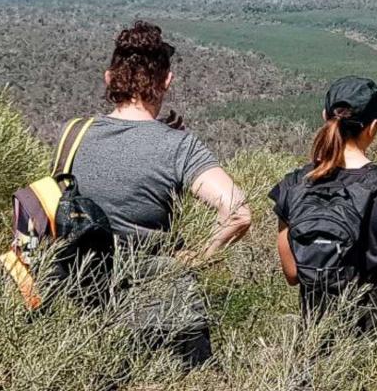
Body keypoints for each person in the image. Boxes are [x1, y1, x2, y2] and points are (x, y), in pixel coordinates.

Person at [58, 20, 251, 368]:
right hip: (165, 310)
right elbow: (238, 212)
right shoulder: (179, 147)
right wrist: (197, 257)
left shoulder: (72, 135)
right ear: (166, 82)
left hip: (80, 311)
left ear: (109, 80)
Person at [269, 77, 377, 328]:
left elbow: (292, 274)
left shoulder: (292, 186)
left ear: (325, 116)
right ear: (374, 126)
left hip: (318, 334)